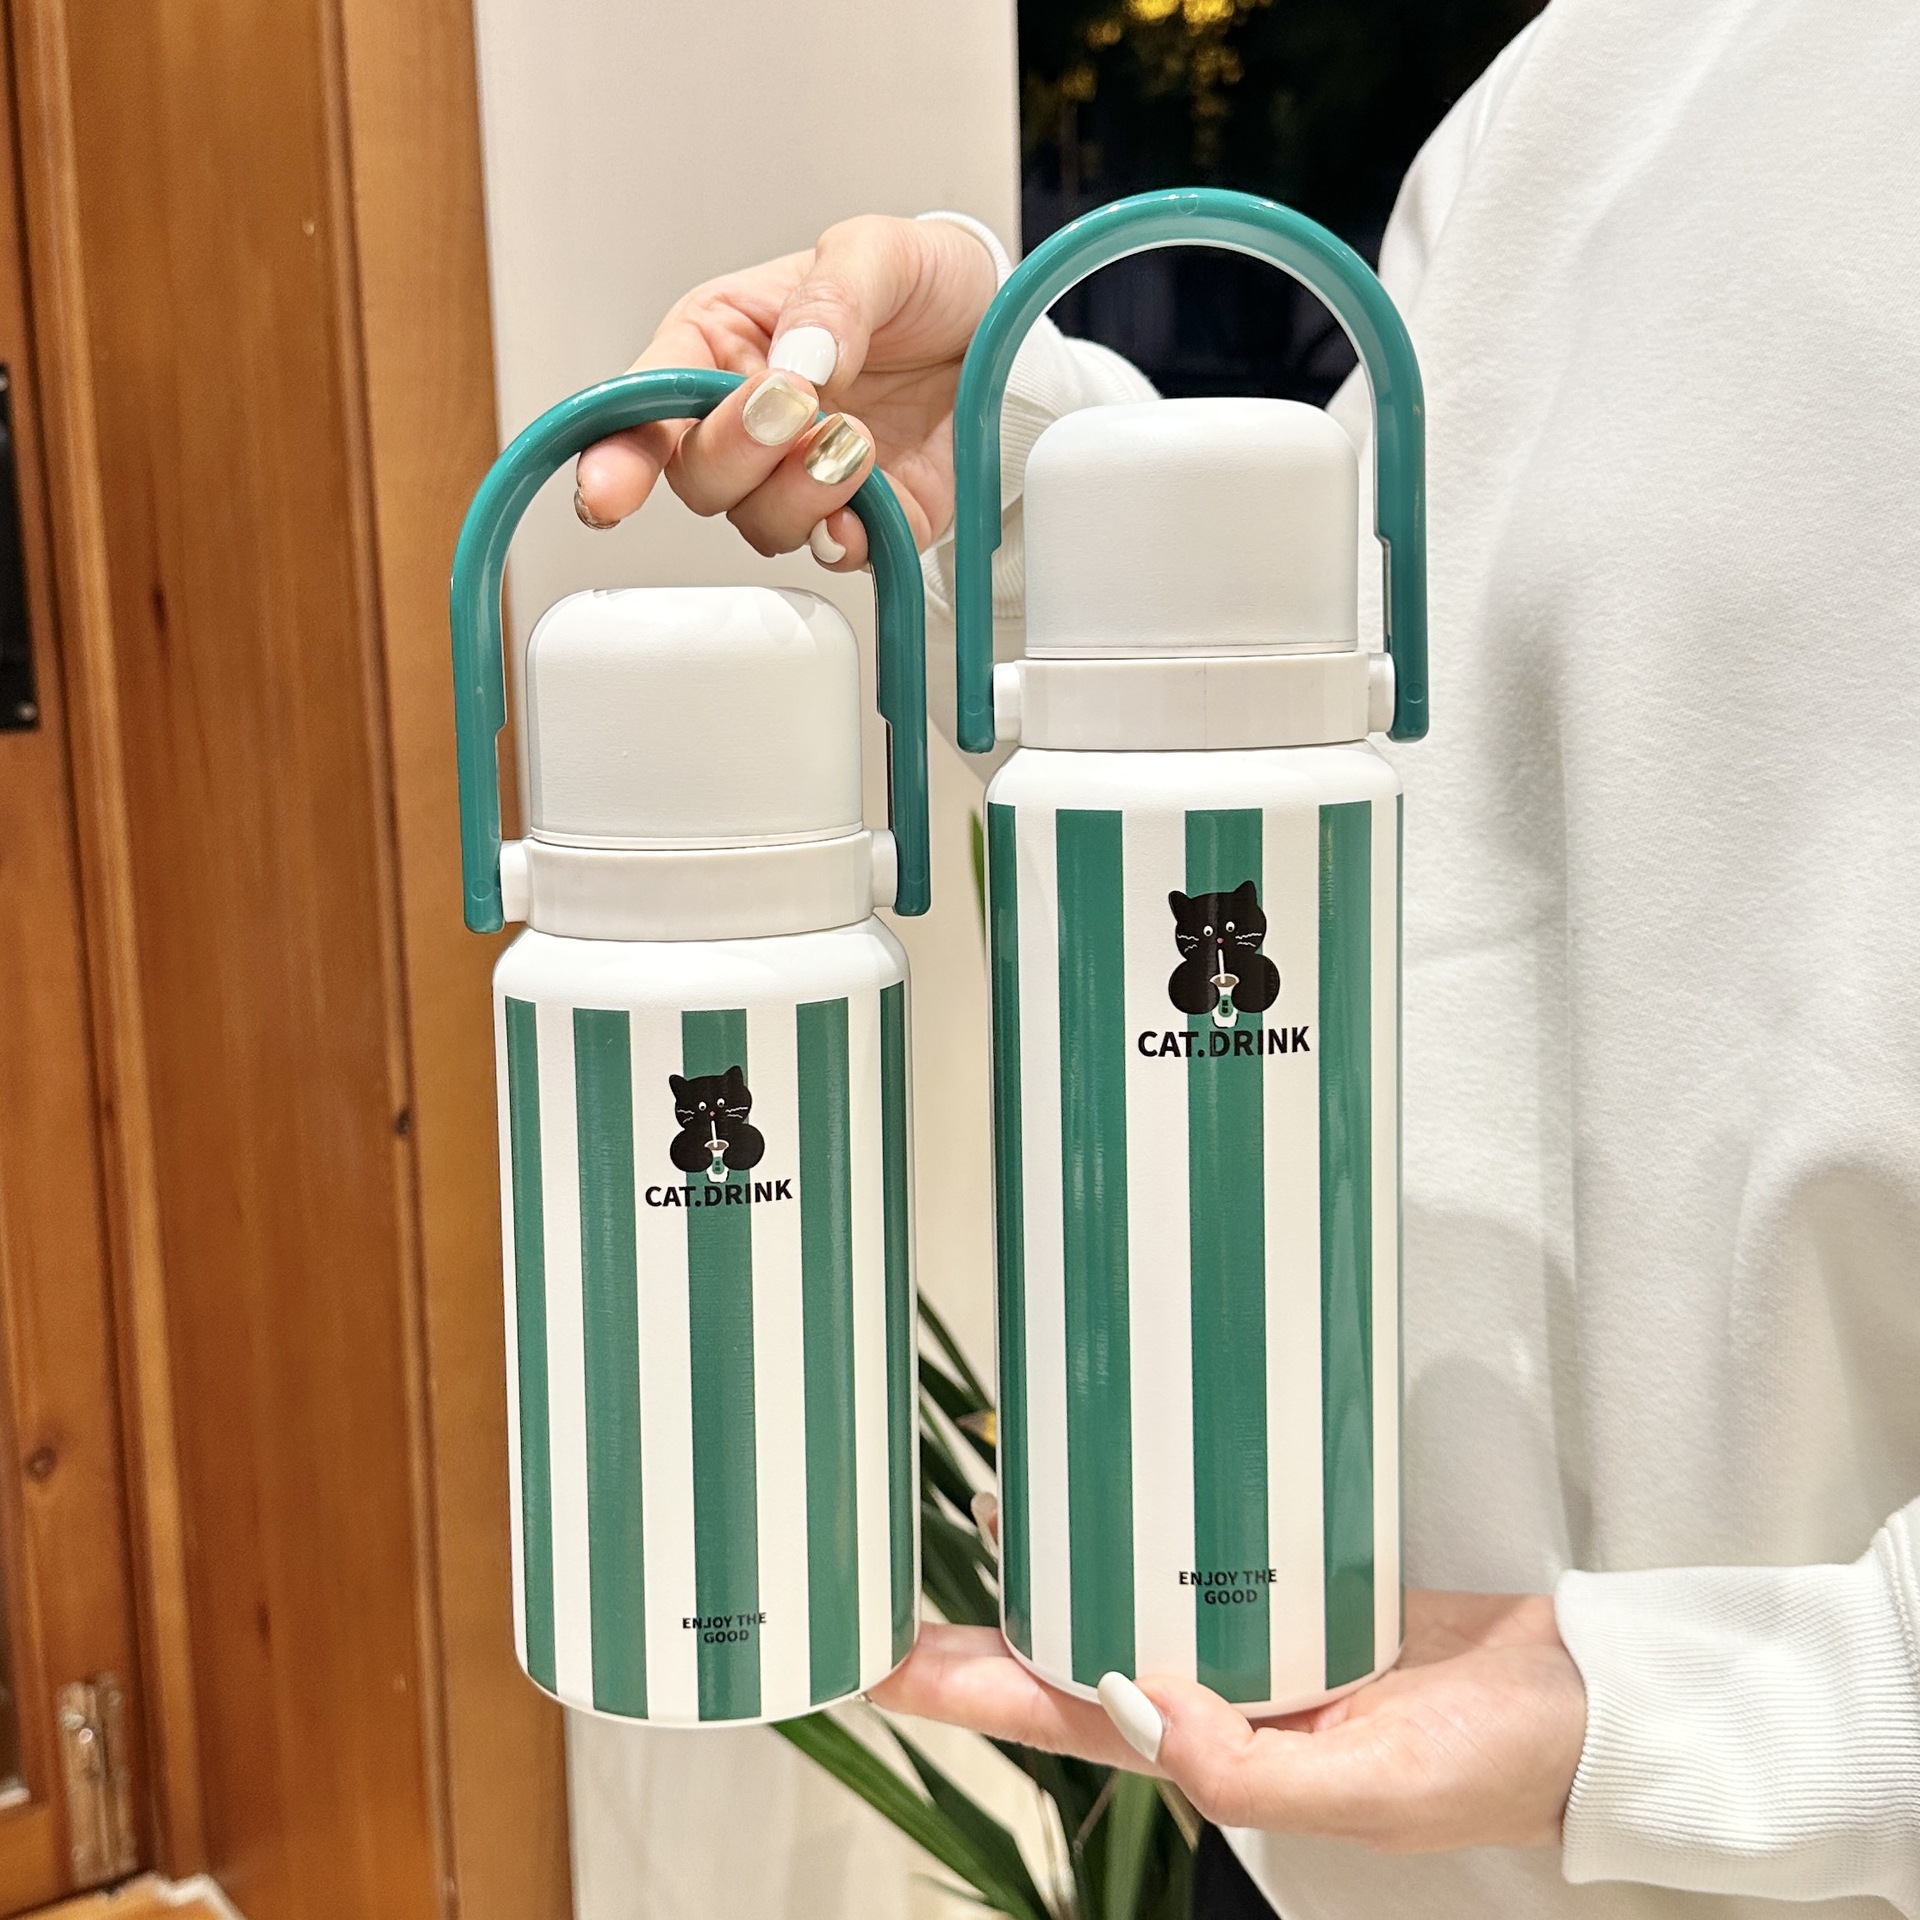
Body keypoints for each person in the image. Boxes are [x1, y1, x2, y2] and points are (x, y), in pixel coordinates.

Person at [573, 3, 1920, 1913]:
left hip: (1681, 1824)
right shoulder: (1600, 67)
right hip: (1328, 1787)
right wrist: (1020, 477)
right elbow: (1385, 667)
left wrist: (1758, 1713)